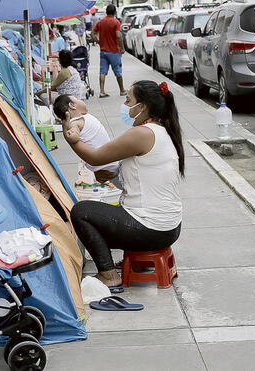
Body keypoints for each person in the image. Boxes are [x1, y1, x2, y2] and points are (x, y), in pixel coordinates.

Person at [63, 81, 184, 292]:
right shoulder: (163, 131)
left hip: (150, 229)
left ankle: (108, 275)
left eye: (128, 100)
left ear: (143, 106)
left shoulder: (142, 133)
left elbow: (95, 156)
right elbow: (140, 175)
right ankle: (126, 261)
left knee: (81, 212)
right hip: (169, 228)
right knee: (109, 211)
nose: (125, 104)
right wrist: (111, 174)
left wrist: (72, 139)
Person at [53, 94, 119, 179]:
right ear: (72, 105)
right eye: (77, 99)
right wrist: (70, 134)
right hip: (104, 165)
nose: (82, 101)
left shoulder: (83, 116)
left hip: (107, 160)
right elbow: (74, 137)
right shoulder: (75, 123)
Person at [92, 4, 126, 97]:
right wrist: (122, 48)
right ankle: (122, 90)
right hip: (114, 51)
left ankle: (102, 91)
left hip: (103, 51)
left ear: (106, 12)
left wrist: (98, 42)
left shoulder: (100, 22)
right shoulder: (116, 22)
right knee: (118, 71)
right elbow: (118, 36)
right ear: (115, 12)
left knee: (102, 72)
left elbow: (92, 33)